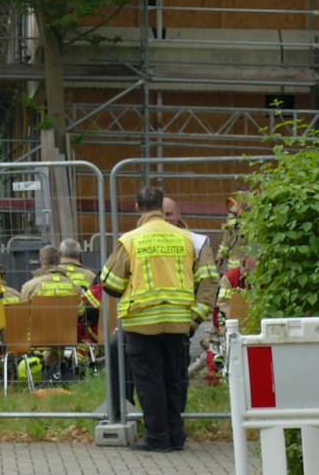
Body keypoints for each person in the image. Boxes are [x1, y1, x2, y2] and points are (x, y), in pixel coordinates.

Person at [104, 185, 217, 454]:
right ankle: (176, 436)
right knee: (175, 379)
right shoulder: (189, 239)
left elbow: (111, 284)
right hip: (180, 322)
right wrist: (194, 318)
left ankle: (157, 438)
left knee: (149, 381)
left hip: (142, 322)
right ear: (161, 209)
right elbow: (209, 281)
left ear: (137, 207)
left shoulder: (131, 240)